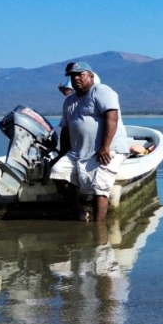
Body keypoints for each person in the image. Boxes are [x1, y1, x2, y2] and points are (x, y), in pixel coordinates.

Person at [50, 61, 128, 222]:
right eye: (73, 76)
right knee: (57, 171)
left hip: (108, 149)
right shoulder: (69, 101)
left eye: (81, 74)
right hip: (79, 151)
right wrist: (61, 154)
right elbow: (66, 130)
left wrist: (105, 147)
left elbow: (111, 118)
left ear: (91, 76)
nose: (76, 78)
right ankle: (79, 212)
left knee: (100, 187)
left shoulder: (101, 91)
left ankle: (98, 230)